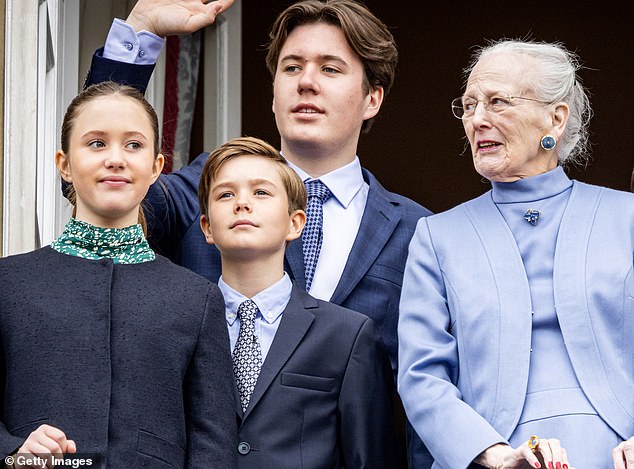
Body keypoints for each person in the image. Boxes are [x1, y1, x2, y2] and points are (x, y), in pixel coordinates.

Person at [83, 1, 433, 466]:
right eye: (292, 67)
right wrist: (140, 30)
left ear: (372, 98)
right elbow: (97, 185)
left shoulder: (418, 234)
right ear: (273, 91)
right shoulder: (207, 185)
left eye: (330, 68)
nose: (306, 81)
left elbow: (425, 396)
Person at [398, 39, 634, 469]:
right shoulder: (437, 237)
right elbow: (421, 376)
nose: (477, 120)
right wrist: (495, 456)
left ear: (555, 118)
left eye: (497, 102)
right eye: (469, 106)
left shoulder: (627, 218)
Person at [0, 82, 236, 468]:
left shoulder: (196, 299)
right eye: (96, 143)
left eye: (133, 145)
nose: (115, 159)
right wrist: (14, 454)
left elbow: (214, 446)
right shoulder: (9, 284)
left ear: (157, 167)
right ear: (64, 164)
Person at [197, 136, 397, 467]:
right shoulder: (183, 325)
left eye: (261, 192)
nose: (242, 203)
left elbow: (370, 459)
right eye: (226, 194)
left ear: (295, 223)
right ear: (207, 228)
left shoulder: (347, 336)